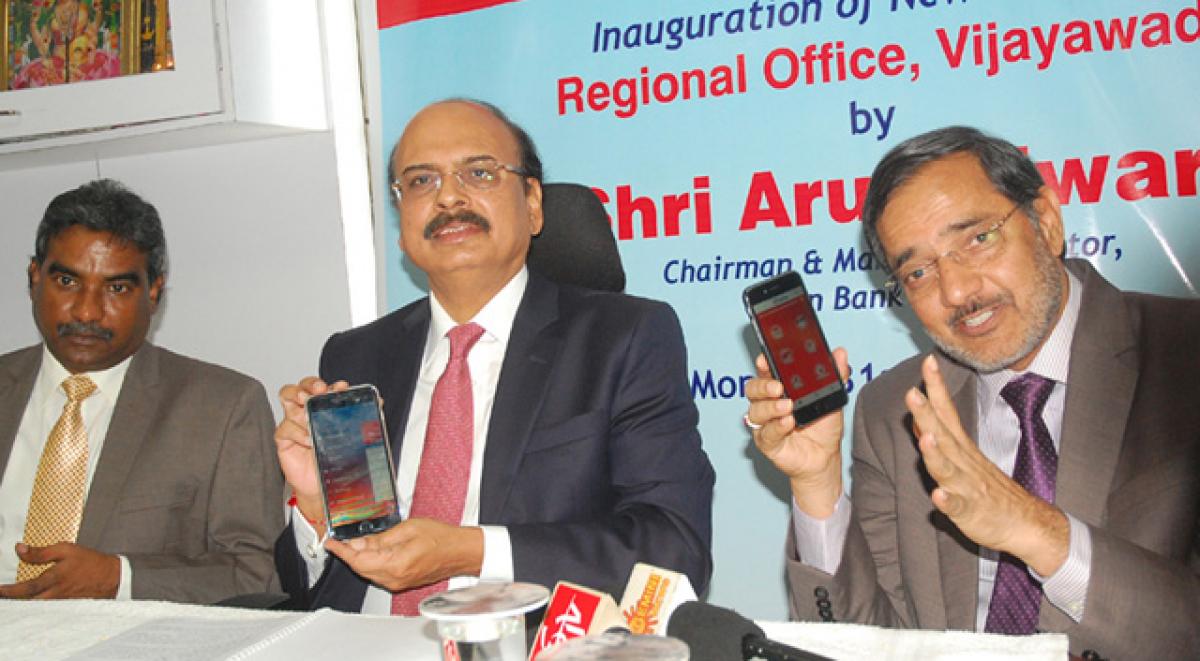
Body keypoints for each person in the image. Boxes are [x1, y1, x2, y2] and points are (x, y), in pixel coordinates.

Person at [745, 126, 1199, 659]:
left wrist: (1037, 530)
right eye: (917, 271)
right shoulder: (894, 410)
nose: (956, 291)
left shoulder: (1182, 356)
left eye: (977, 239)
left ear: (1047, 222)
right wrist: (816, 485)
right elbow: (873, 645)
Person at [273, 99, 714, 614]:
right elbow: (302, 593)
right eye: (420, 182)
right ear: (401, 223)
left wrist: (468, 550)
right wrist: (314, 512)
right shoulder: (356, 353)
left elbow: (673, 549)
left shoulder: (624, 338)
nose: (448, 197)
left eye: (479, 173)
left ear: (532, 204)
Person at [0, 179, 284, 603]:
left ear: (153, 291)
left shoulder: (223, 407)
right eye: (66, 281)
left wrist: (119, 579)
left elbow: (257, 577)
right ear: (34, 277)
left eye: (117, 288)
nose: (87, 311)